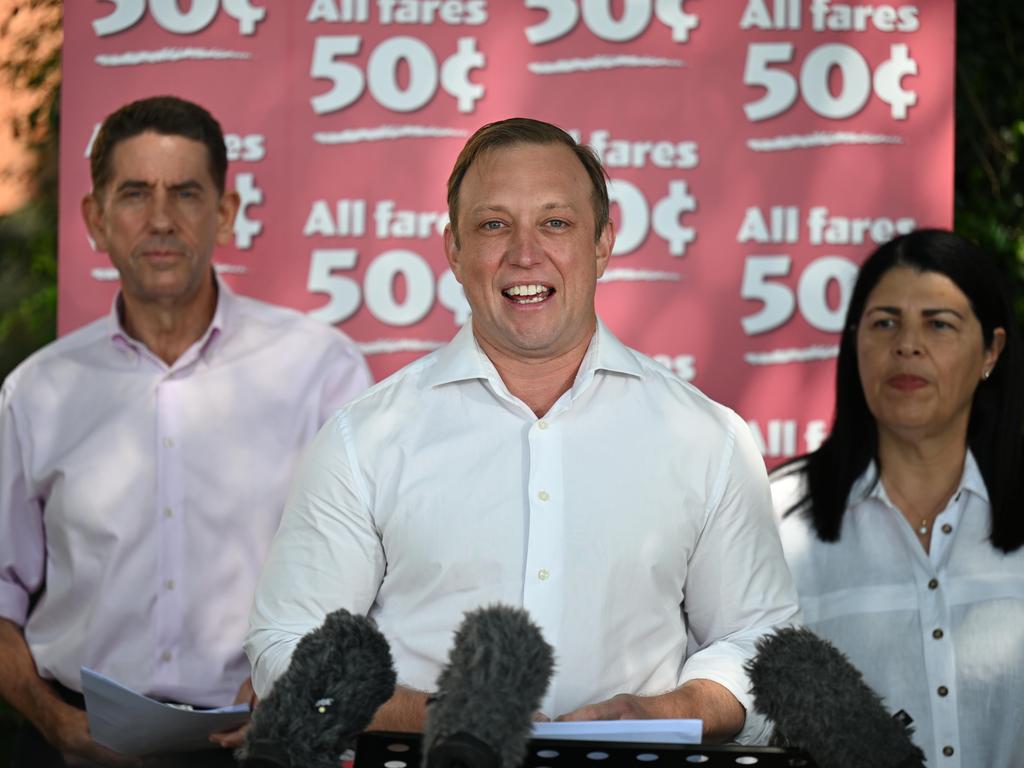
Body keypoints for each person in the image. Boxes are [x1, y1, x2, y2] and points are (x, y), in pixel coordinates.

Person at [245, 118, 799, 744]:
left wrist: (668, 712)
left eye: (556, 223)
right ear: (453, 250)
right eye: (493, 224)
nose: (525, 253)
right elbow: (286, 648)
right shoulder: (362, 440)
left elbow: (761, 646)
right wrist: (442, 721)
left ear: (603, 243)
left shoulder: (707, 439)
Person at [0, 96, 373, 767]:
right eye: (135, 193)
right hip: (73, 746)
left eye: (187, 193)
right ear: (96, 218)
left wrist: (299, 687)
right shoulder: (36, 392)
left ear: (224, 214)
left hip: (267, 743)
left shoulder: (320, 370)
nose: (162, 220)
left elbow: (372, 577)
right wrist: (54, 725)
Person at [770, 229, 1024, 767]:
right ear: (855, 341)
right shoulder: (777, 519)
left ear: (991, 351)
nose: (907, 344)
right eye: (885, 323)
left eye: (939, 324)